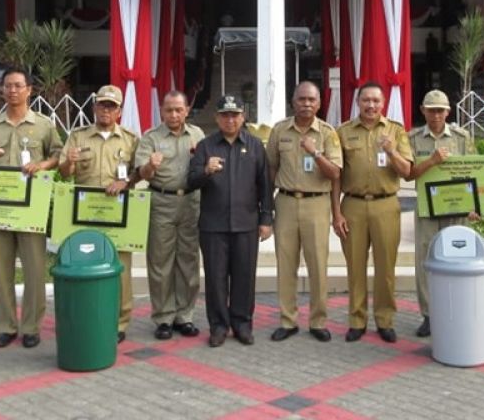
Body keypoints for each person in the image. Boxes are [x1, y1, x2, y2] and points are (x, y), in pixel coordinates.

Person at [0, 67, 63, 349]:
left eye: (18, 86)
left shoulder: (44, 125)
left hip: (30, 209)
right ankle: (6, 325)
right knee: (1, 271)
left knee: (35, 269)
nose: (12, 90)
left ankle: (31, 326)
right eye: (7, 86)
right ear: (1, 90)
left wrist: (43, 164)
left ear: (29, 90)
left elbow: (58, 154)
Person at [187, 94, 274, 347]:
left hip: (246, 223)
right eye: (225, 115)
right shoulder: (206, 146)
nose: (230, 120)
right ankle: (218, 326)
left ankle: (242, 323)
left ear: (243, 117)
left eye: (235, 115)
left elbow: (265, 185)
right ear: (217, 118)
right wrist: (205, 171)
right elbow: (190, 181)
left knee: (244, 277)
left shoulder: (255, 146)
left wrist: (266, 218)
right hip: (213, 225)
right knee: (215, 278)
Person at [265, 81, 343, 342]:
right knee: (285, 264)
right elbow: (270, 169)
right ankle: (288, 320)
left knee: (318, 264)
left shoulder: (328, 133)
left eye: (311, 99)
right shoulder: (279, 131)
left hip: (317, 204)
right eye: (301, 99)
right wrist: (266, 206)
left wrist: (316, 152)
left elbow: (335, 173)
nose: (306, 104)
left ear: (319, 103)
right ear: (293, 101)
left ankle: (318, 321)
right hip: (285, 202)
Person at [335, 81, 413, 343]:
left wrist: (391, 151)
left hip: (386, 204)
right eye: (366, 100)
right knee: (355, 266)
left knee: (385, 267)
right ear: (358, 102)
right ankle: (357, 320)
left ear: (383, 104)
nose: (371, 105)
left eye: (376, 101)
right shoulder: (343, 132)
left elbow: (406, 171)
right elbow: (336, 176)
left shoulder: (396, 131)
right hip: (353, 204)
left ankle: (385, 319)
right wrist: (336, 212)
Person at [61, 84, 139, 342]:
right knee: (87, 263)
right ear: (94, 107)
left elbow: (139, 173)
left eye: (111, 106)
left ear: (119, 111)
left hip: (117, 213)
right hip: (86, 212)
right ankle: (90, 314)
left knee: (121, 268)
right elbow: (64, 173)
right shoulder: (78, 137)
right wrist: (70, 161)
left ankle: (119, 322)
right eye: (102, 104)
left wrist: (125, 182)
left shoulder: (130, 139)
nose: (106, 110)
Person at [134, 90, 205, 340]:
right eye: (168, 110)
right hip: (160, 201)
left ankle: (184, 316)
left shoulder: (197, 135)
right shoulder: (151, 137)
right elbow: (140, 173)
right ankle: (163, 317)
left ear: (186, 110)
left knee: (188, 261)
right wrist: (150, 166)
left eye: (178, 109)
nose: (173, 114)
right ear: (162, 111)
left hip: (190, 202)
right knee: (160, 263)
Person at [407, 89, 475, 337]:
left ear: (448, 112)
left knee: (456, 257)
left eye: (440, 110)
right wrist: (432, 161)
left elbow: (474, 171)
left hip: (456, 207)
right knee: (425, 259)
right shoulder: (413, 139)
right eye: (431, 110)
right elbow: (409, 173)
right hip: (427, 207)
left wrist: (474, 205)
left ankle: (455, 310)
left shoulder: (461, 137)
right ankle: (429, 315)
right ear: (422, 111)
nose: (436, 115)